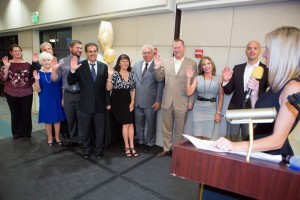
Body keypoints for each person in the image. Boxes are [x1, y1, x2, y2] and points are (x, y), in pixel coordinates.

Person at [212, 26, 300, 156]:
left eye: (268, 50)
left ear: (283, 53)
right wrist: (254, 95)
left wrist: (235, 145)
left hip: (271, 156)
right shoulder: (278, 85)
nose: (265, 54)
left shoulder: (293, 87)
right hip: (257, 149)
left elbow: (277, 140)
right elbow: (260, 120)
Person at [153, 39, 197, 157]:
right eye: (175, 47)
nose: (177, 50)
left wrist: (191, 101)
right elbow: (159, 78)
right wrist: (157, 66)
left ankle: (177, 150)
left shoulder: (192, 63)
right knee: (166, 127)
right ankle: (167, 148)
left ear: (184, 48)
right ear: (172, 49)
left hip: (182, 101)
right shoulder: (166, 62)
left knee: (179, 129)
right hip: (167, 100)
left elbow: (194, 82)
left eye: (179, 47)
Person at [68, 43, 110, 159]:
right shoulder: (79, 66)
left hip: (100, 105)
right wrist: (72, 70)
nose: (93, 53)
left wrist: (108, 102)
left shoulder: (103, 66)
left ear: (97, 52)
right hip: (85, 105)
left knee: (99, 130)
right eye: (90, 51)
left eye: (95, 51)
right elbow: (71, 82)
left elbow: (105, 88)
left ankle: (99, 150)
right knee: (85, 129)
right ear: (86, 53)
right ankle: (86, 150)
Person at [222, 41, 268, 141]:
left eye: (255, 48)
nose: (252, 50)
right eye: (249, 48)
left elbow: (267, 93)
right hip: (235, 110)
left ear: (259, 50)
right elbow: (228, 91)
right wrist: (225, 81)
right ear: (246, 51)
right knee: (230, 141)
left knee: (249, 141)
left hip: (252, 112)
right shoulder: (237, 68)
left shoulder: (266, 70)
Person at [51, 40, 83, 149]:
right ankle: (73, 139)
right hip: (68, 94)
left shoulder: (84, 62)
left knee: (82, 119)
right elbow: (55, 80)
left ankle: (83, 141)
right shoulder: (62, 62)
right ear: (70, 48)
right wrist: (54, 70)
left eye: (81, 48)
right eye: (77, 48)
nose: (80, 50)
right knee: (71, 119)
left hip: (82, 95)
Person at [133, 45, 164, 152]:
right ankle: (140, 141)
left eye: (148, 53)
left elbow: (160, 84)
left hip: (151, 101)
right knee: (138, 123)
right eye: (144, 53)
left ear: (153, 53)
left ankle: (149, 143)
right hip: (137, 101)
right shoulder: (136, 65)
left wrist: (158, 100)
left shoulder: (157, 66)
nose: (146, 55)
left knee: (150, 124)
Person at [0, 44, 34, 140]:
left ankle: (26, 133)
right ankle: (17, 133)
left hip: (26, 92)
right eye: (15, 51)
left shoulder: (27, 64)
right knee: (15, 113)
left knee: (26, 113)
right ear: (11, 52)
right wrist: (6, 67)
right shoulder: (6, 63)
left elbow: (31, 78)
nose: (17, 52)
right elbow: (3, 78)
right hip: (11, 93)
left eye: (19, 50)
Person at [186, 56, 224, 140]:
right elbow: (189, 92)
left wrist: (218, 112)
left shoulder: (219, 78)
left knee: (206, 139)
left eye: (208, 63)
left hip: (211, 110)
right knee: (197, 138)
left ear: (212, 65)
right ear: (201, 67)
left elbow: (221, 96)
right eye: (204, 64)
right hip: (198, 110)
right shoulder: (197, 78)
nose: (206, 66)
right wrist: (188, 78)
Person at [107, 54, 137, 157]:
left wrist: (132, 102)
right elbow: (108, 88)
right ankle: (127, 147)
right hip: (117, 101)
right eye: (123, 61)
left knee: (131, 124)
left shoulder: (131, 74)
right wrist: (109, 76)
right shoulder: (114, 74)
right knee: (125, 124)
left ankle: (132, 146)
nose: (125, 63)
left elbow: (133, 89)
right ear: (119, 62)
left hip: (128, 100)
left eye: (127, 61)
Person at [32, 52, 65, 146]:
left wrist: (63, 99)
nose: (47, 62)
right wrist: (37, 80)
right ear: (41, 61)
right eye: (44, 60)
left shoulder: (57, 70)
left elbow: (62, 86)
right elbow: (37, 90)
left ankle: (57, 137)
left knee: (56, 119)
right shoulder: (38, 72)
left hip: (57, 97)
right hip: (45, 98)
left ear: (52, 61)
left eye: (48, 60)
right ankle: (50, 137)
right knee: (47, 119)